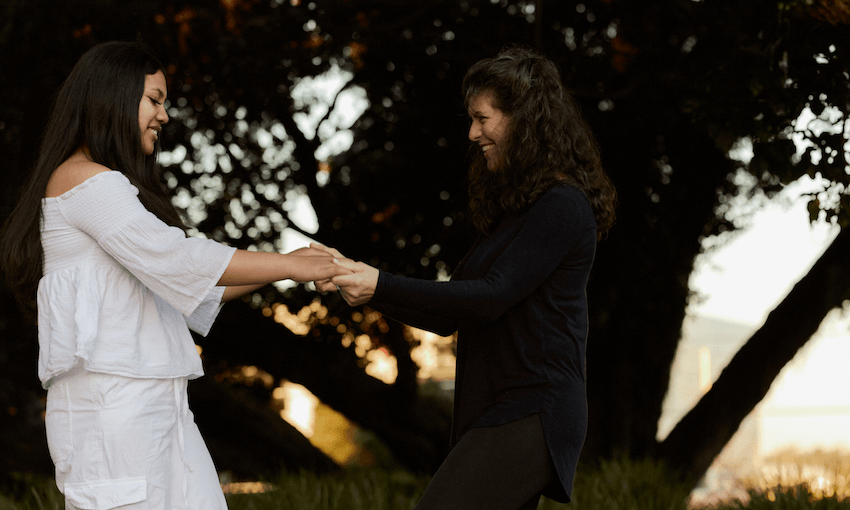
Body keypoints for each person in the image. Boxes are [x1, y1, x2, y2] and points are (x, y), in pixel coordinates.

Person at [0, 41, 349, 510]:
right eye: (155, 99)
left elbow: (190, 288)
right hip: (113, 413)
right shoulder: (83, 179)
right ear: (114, 96)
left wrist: (294, 265)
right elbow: (178, 260)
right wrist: (289, 262)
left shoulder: (102, 186)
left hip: (162, 409)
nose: (164, 115)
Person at [315, 46, 617, 509]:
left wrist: (377, 283)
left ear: (525, 120)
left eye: (482, 118)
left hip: (533, 410)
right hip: (503, 410)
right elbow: (450, 310)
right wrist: (357, 281)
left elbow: (490, 298)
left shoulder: (562, 206)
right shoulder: (517, 213)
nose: (473, 133)